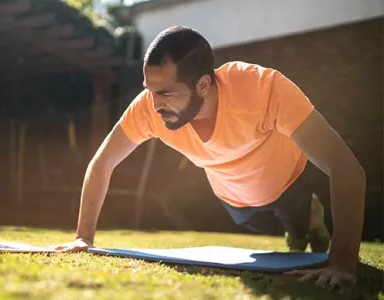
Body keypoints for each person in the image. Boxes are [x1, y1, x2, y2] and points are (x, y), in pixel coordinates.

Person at [52, 26, 366, 289]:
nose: (155, 103)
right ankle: (299, 229)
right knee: (264, 230)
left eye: (166, 93)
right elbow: (103, 161)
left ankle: (309, 221)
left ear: (203, 84)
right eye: (149, 89)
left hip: (287, 182)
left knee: (298, 224)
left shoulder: (265, 89)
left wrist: (342, 262)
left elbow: (346, 169)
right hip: (234, 198)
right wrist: (84, 237)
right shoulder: (150, 107)